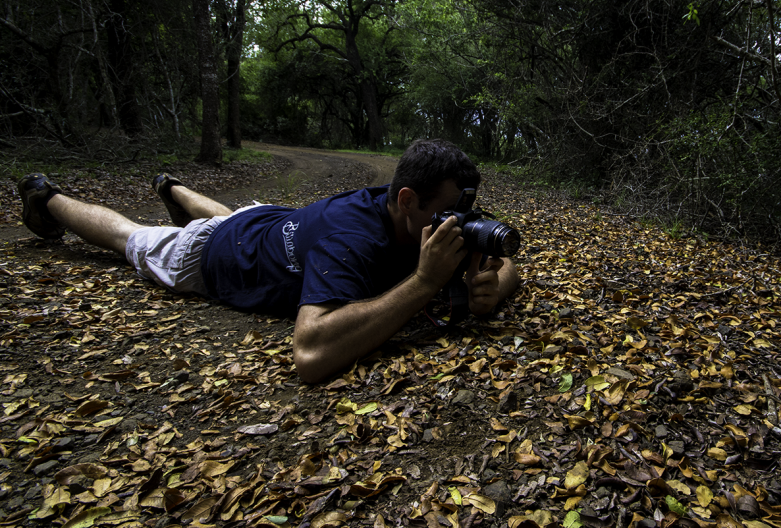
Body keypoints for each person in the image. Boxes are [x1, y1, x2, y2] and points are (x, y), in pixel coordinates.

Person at [16, 139, 519, 383]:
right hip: (216, 253)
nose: (458, 223)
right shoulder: (351, 241)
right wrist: (424, 283)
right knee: (134, 239)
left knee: (242, 215)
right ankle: (47, 199)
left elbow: (507, 260)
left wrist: (495, 283)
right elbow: (310, 354)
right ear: (407, 200)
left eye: (463, 212)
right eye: (447, 214)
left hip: (275, 220)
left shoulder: (438, 209)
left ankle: (172, 187)